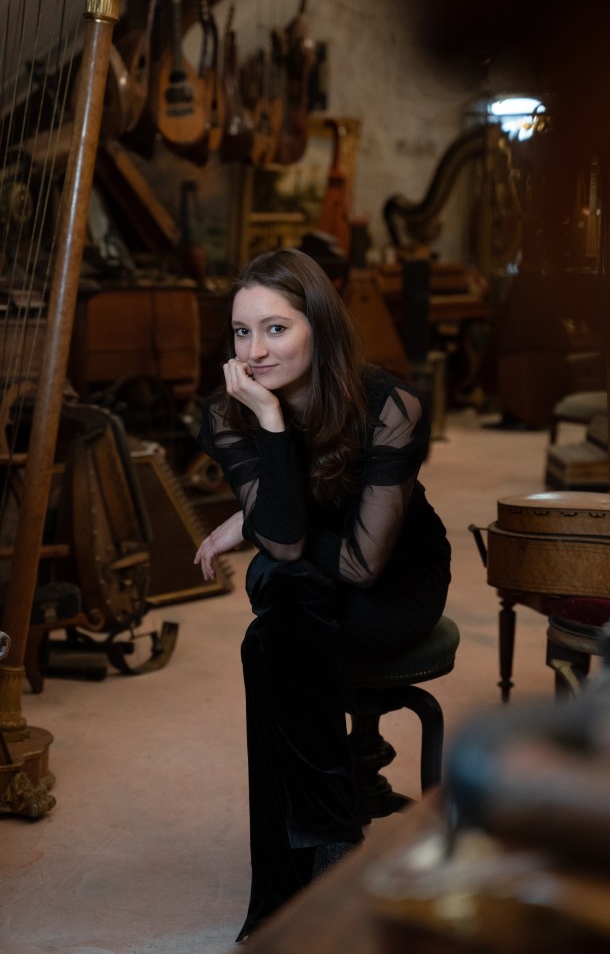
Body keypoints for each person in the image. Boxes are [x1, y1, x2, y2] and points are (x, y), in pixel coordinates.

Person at [194, 248, 451, 942]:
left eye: (275, 329)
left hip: (394, 581)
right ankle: (331, 846)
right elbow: (283, 542)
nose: (254, 351)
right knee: (283, 596)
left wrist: (253, 521)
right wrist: (270, 425)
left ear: (320, 327)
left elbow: (364, 563)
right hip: (304, 579)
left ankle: (289, 892)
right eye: (241, 332)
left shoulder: (388, 403)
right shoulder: (229, 412)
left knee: (271, 634)